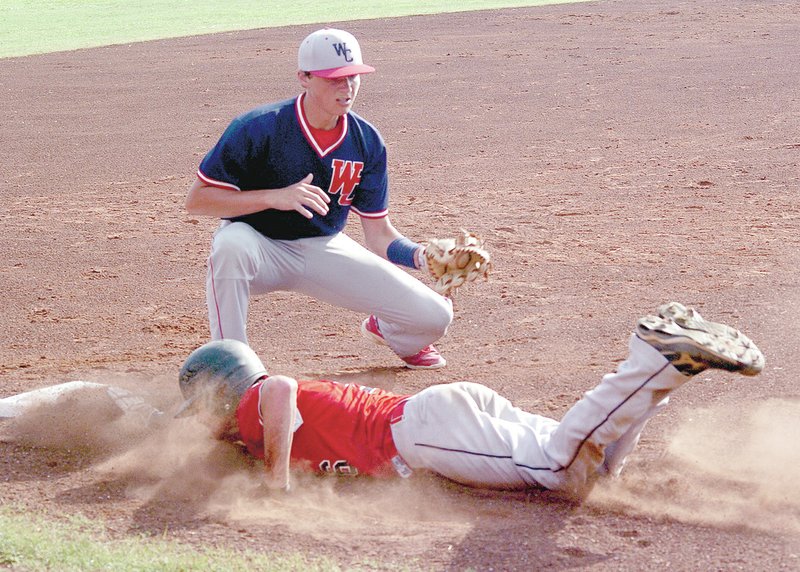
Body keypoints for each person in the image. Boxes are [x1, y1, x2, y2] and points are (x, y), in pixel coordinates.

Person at [174, 302, 765, 498]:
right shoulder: (248, 432)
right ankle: (670, 369)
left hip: (421, 432)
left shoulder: (258, 398)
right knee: (593, 473)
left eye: (201, 405)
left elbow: (277, 388)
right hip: (443, 416)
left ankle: (649, 357)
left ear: (221, 390)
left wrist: (275, 481)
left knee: (559, 470)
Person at [184, 28, 454, 369]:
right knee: (230, 245)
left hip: (322, 248)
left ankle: (389, 332)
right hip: (258, 249)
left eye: (353, 76)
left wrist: (421, 255)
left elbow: (379, 234)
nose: (347, 87)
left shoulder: (366, 141)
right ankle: (232, 367)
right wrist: (274, 197)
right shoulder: (259, 127)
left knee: (434, 316)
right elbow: (198, 200)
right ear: (304, 78)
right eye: (334, 79)